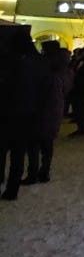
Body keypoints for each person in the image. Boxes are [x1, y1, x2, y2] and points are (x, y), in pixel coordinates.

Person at [24, 40, 71, 186]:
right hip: (55, 108)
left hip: (42, 108)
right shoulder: (65, 68)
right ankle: (44, 172)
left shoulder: (48, 68)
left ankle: (33, 174)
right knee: (47, 143)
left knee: (34, 143)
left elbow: (39, 90)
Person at [0, 30, 39, 200]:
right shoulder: (36, 62)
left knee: (4, 151)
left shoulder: (11, 62)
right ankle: (12, 189)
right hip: (27, 115)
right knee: (18, 154)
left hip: (8, 114)